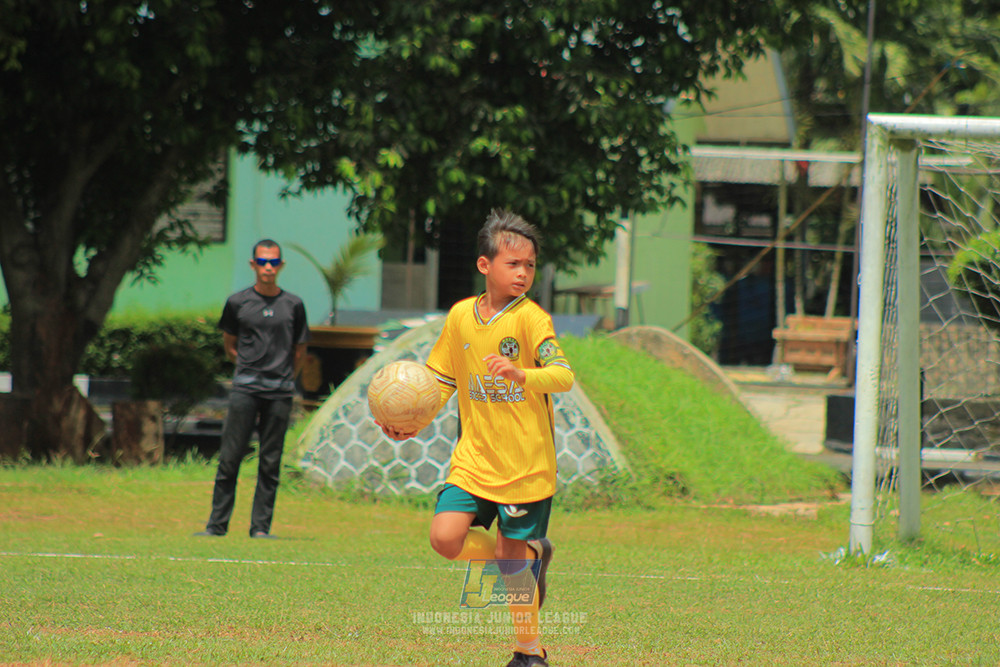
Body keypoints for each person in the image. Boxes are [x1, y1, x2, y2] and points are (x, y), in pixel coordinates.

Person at [380, 210, 574, 667]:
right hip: (474, 459)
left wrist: (521, 373)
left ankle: (530, 653)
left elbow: (563, 375)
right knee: (445, 539)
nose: (523, 273)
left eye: (530, 265)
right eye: (513, 264)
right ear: (485, 265)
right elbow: (441, 381)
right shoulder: (460, 317)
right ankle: (529, 554)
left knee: (510, 566)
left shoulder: (532, 320)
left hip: (526, 463)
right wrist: (412, 422)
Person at [196, 239, 309, 539]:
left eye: (273, 262)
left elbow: (300, 350)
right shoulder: (237, 302)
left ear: (281, 265)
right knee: (230, 458)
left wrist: (285, 377)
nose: (268, 267)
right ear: (253, 265)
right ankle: (216, 526)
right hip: (245, 388)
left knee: (270, 462)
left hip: (280, 391)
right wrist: (248, 368)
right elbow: (229, 345)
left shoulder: (293, 305)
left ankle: (260, 529)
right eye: (262, 261)